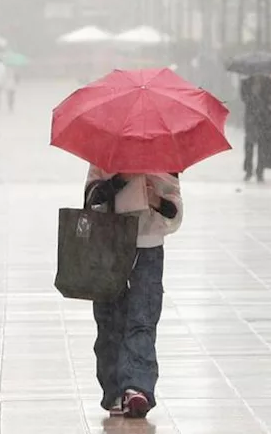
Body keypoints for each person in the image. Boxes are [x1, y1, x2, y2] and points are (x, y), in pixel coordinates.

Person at [83, 166, 182, 419]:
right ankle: (114, 389)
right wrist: (120, 180)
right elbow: (92, 199)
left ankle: (137, 387)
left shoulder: (164, 161)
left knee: (143, 319)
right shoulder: (105, 157)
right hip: (109, 245)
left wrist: (155, 200)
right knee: (109, 321)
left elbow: (175, 212)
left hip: (148, 248)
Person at [240, 74, 271, 182]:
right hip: (251, 119)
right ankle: (248, 170)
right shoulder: (246, 82)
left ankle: (260, 171)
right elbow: (244, 98)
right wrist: (253, 96)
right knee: (249, 146)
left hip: (264, 119)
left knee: (262, 146)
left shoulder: (269, 82)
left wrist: (268, 102)